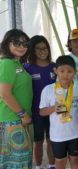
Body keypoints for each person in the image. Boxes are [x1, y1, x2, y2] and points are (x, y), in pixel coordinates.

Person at [40, 55, 78, 169]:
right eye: (62, 71)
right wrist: (53, 108)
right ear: (55, 70)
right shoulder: (48, 90)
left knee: (75, 160)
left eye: (69, 71)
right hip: (58, 135)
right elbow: (42, 112)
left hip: (76, 132)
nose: (65, 74)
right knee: (60, 162)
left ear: (75, 72)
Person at [0, 29, 33, 169]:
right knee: (15, 164)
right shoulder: (7, 63)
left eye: (25, 43)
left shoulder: (17, 64)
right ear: (7, 43)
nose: (21, 46)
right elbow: (4, 93)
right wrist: (23, 114)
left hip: (17, 121)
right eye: (16, 42)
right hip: (11, 122)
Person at [24, 35, 56, 169]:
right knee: (38, 141)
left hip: (54, 111)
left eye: (45, 48)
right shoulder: (27, 67)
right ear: (32, 50)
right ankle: (38, 166)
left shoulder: (55, 67)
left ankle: (52, 165)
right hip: (36, 112)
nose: (42, 51)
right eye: (38, 49)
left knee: (51, 140)